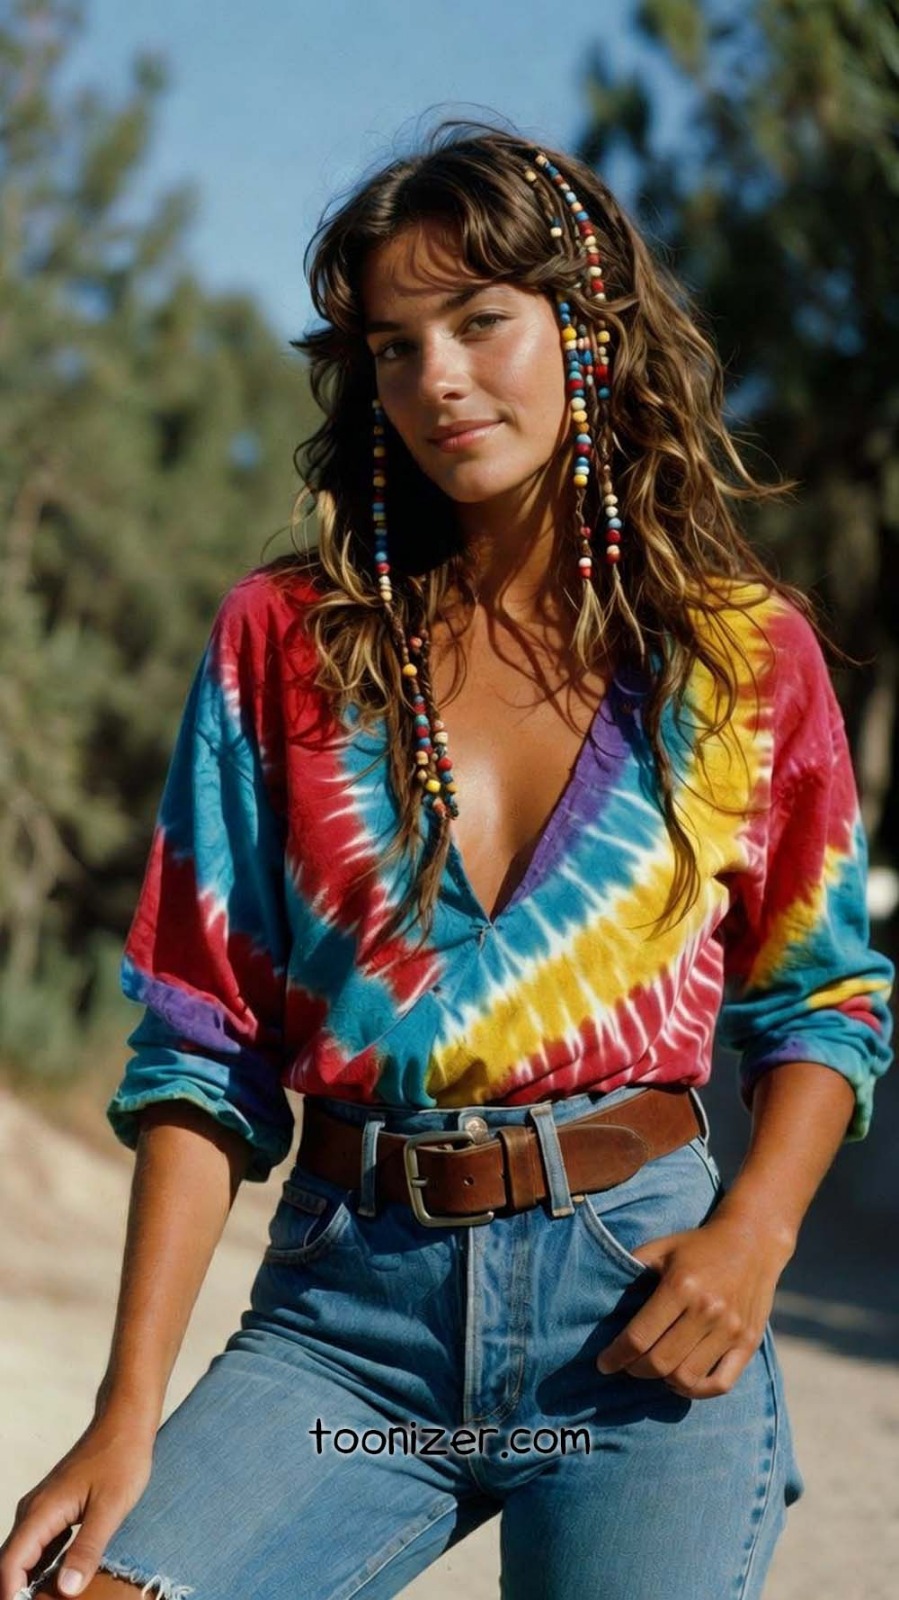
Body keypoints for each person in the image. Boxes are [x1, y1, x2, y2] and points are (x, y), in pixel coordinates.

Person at [2, 119, 894, 1600]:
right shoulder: (282, 649)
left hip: (635, 1331)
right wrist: (123, 1412)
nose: (439, 381)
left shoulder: (742, 662)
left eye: (480, 320)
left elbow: (826, 996)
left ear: (587, 323)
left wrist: (756, 1234)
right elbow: (201, 1044)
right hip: (349, 1332)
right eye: (395, 345)